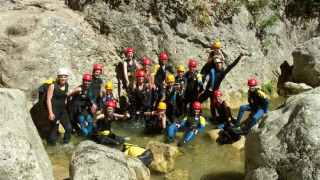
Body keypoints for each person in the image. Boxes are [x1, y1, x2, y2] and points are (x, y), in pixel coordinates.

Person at [46, 68, 72, 147]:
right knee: (54, 129)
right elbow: (48, 100)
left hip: (63, 110)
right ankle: (53, 147)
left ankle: (65, 144)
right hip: (54, 110)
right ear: (58, 77)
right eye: (61, 77)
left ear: (66, 77)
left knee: (68, 128)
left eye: (64, 77)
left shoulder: (67, 85)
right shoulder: (53, 86)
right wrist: (50, 113)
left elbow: (66, 97)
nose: (63, 78)